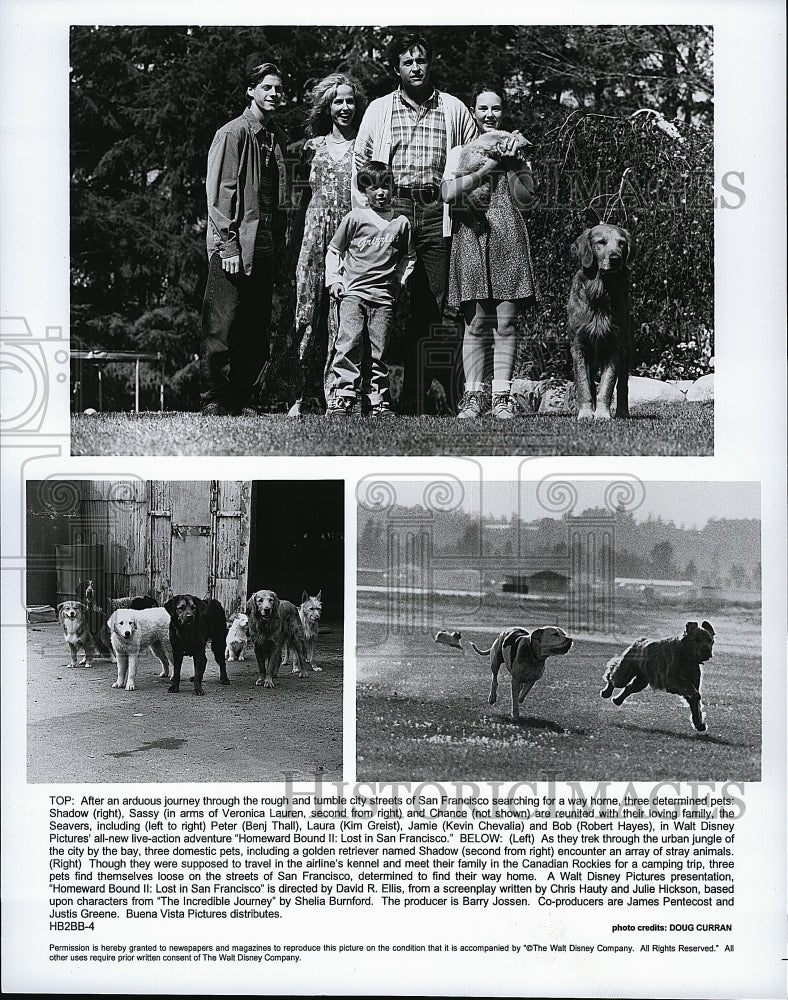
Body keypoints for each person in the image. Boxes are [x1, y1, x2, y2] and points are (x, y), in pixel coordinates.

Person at [352, 33, 477, 413]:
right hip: (393, 206)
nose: (416, 68)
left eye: (421, 61)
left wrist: (460, 203)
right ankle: (369, 396)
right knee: (381, 298)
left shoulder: (453, 109)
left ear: (430, 64)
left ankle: (415, 398)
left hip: (437, 209)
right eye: (408, 62)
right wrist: (369, 219)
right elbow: (361, 163)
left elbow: (471, 161)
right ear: (397, 69)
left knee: (432, 305)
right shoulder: (379, 110)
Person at [440, 85, 537, 419]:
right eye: (483, 109)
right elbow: (448, 194)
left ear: (503, 112)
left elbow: (526, 200)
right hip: (471, 232)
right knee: (476, 322)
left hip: (508, 233)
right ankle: (472, 397)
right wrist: (485, 170)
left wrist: (511, 164)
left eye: (496, 109)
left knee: (506, 322)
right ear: (473, 111)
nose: (489, 115)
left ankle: (502, 397)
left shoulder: (516, 150)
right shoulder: (459, 152)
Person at [200, 62, 290, 416]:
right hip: (234, 246)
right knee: (222, 324)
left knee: (255, 326)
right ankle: (215, 399)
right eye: (266, 87)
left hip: (264, 244)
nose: (274, 94)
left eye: (278, 89)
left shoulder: (275, 137)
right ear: (250, 91)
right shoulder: (232, 134)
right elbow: (219, 196)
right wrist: (228, 246)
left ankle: (244, 397)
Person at [289, 73, 367, 416]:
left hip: (350, 237)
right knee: (308, 309)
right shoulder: (314, 147)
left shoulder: (363, 147)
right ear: (327, 106)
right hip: (314, 234)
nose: (345, 107)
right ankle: (299, 394)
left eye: (350, 101)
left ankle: (342, 393)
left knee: (345, 312)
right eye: (338, 101)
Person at [324, 160, 416, 416]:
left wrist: (399, 282)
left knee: (379, 350)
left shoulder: (401, 223)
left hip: (384, 299)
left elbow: (409, 258)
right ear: (364, 191)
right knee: (349, 344)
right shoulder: (354, 218)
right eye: (373, 187)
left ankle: (378, 400)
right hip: (353, 294)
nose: (381, 192)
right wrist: (335, 281)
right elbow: (334, 251)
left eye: (386, 186)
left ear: (393, 188)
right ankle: (343, 399)